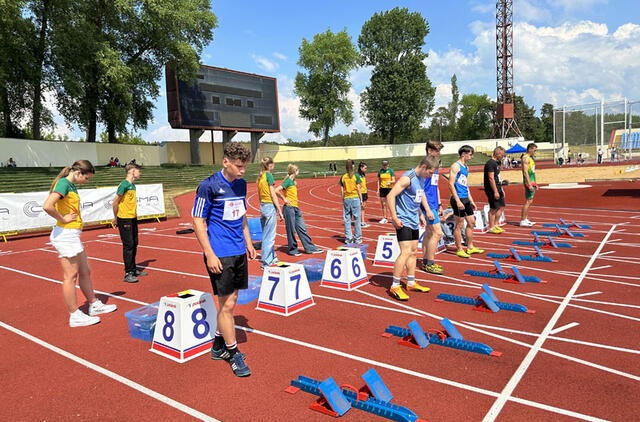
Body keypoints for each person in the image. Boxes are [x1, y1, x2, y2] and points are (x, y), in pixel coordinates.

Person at [192, 142, 256, 377]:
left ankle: (218, 344)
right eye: (239, 166)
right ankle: (233, 352)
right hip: (220, 253)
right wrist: (209, 253)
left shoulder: (241, 185)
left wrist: (248, 241)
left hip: (239, 250)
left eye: (245, 167)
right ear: (226, 162)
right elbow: (197, 221)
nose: (242, 171)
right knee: (227, 305)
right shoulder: (208, 186)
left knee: (232, 301)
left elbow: (243, 215)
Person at [42, 160, 117, 327]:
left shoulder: (70, 185)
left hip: (72, 234)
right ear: (78, 173)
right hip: (66, 235)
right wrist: (63, 218)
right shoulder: (64, 184)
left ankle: (93, 304)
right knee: (70, 276)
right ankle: (74, 314)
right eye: (87, 178)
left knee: (85, 271)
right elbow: (47, 206)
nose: (87, 181)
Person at [387, 155, 438, 301]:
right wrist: (394, 218)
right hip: (403, 221)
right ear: (423, 167)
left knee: (414, 252)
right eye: (430, 172)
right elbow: (391, 196)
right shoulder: (407, 178)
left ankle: (410, 282)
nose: (431, 176)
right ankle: (395, 285)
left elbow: (420, 196)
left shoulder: (422, 178)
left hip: (414, 219)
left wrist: (424, 212)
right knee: (406, 251)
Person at [275, 164, 323, 256]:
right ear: (294, 171)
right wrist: (284, 199)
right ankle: (293, 250)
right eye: (298, 170)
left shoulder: (293, 182)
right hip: (289, 208)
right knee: (291, 230)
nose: (299, 172)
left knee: (302, 228)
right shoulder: (288, 181)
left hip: (295, 208)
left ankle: (310, 248)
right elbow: (276, 190)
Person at [112, 162, 148, 283]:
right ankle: (128, 273)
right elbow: (115, 202)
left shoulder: (132, 186)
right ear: (132, 172)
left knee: (135, 243)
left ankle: (133, 268)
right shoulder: (124, 185)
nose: (140, 173)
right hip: (124, 218)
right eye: (138, 171)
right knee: (128, 245)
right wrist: (115, 218)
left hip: (133, 217)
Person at [449, 145, 485, 258]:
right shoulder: (456, 166)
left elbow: (465, 185)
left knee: (471, 222)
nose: (471, 156)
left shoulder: (466, 167)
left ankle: (470, 247)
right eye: (470, 154)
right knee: (459, 225)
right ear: (463, 154)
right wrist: (458, 200)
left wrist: (471, 200)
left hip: (465, 198)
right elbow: (450, 184)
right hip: (458, 199)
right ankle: (459, 249)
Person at [421, 140, 445, 275]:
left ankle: (425, 261)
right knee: (438, 233)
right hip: (427, 205)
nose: (439, 153)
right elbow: (421, 189)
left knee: (430, 233)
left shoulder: (435, 166)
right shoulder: (425, 166)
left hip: (434, 204)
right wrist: (428, 209)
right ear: (429, 151)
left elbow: (435, 187)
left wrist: (440, 204)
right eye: (437, 150)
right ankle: (430, 263)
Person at [256, 157, 284, 268]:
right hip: (269, 206)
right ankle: (266, 262)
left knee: (266, 235)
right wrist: (280, 209)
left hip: (263, 206)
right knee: (270, 236)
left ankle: (272, 258)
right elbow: (273, 194)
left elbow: (259, 195)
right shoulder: (269, 176)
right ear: (270, 165)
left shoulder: (260, 177)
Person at [484, 146, 507, 234]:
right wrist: (495, 191)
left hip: (498, 187)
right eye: (502, 155)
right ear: (497, 154)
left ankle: (495, 224)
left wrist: (501, 189)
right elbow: (491, 178)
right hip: (492, 189)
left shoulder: (497, 163)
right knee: (493, 208)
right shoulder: (490, 163)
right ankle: (491, 226)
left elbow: (497, 177)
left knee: (501, 206)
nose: (503, 157)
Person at [340, 159, 362, 244]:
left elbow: (342, 190)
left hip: (347, 198)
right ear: (353, 166)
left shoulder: (343, 177)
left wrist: (343, 199)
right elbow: (358, 189)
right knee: (357, 219)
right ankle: (357, 238)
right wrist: (361, 199)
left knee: (347, 219)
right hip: (355, 198)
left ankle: (348, 238)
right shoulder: (356, 176)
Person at [520, 143, 538, 227]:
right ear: (530, 149)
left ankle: (525, 218)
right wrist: (529, 184)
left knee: (530, 201)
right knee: (528, 201)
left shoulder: (530, 158)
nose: (535, 152)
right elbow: (525, 172)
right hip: (529, 182)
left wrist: (535, 183)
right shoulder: (526, 159)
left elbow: (532, 172)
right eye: (534, 150)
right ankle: (523, 220)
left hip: (532, 181)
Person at [357, 162, 369, 228]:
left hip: (365, 192)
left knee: (363, 207)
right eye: (365, 168)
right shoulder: (357, 175)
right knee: (360, 207)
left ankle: (362, 221)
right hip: (360, 193)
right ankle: (360, 222)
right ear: (361, 168)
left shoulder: (363, 175)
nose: (366, 169)